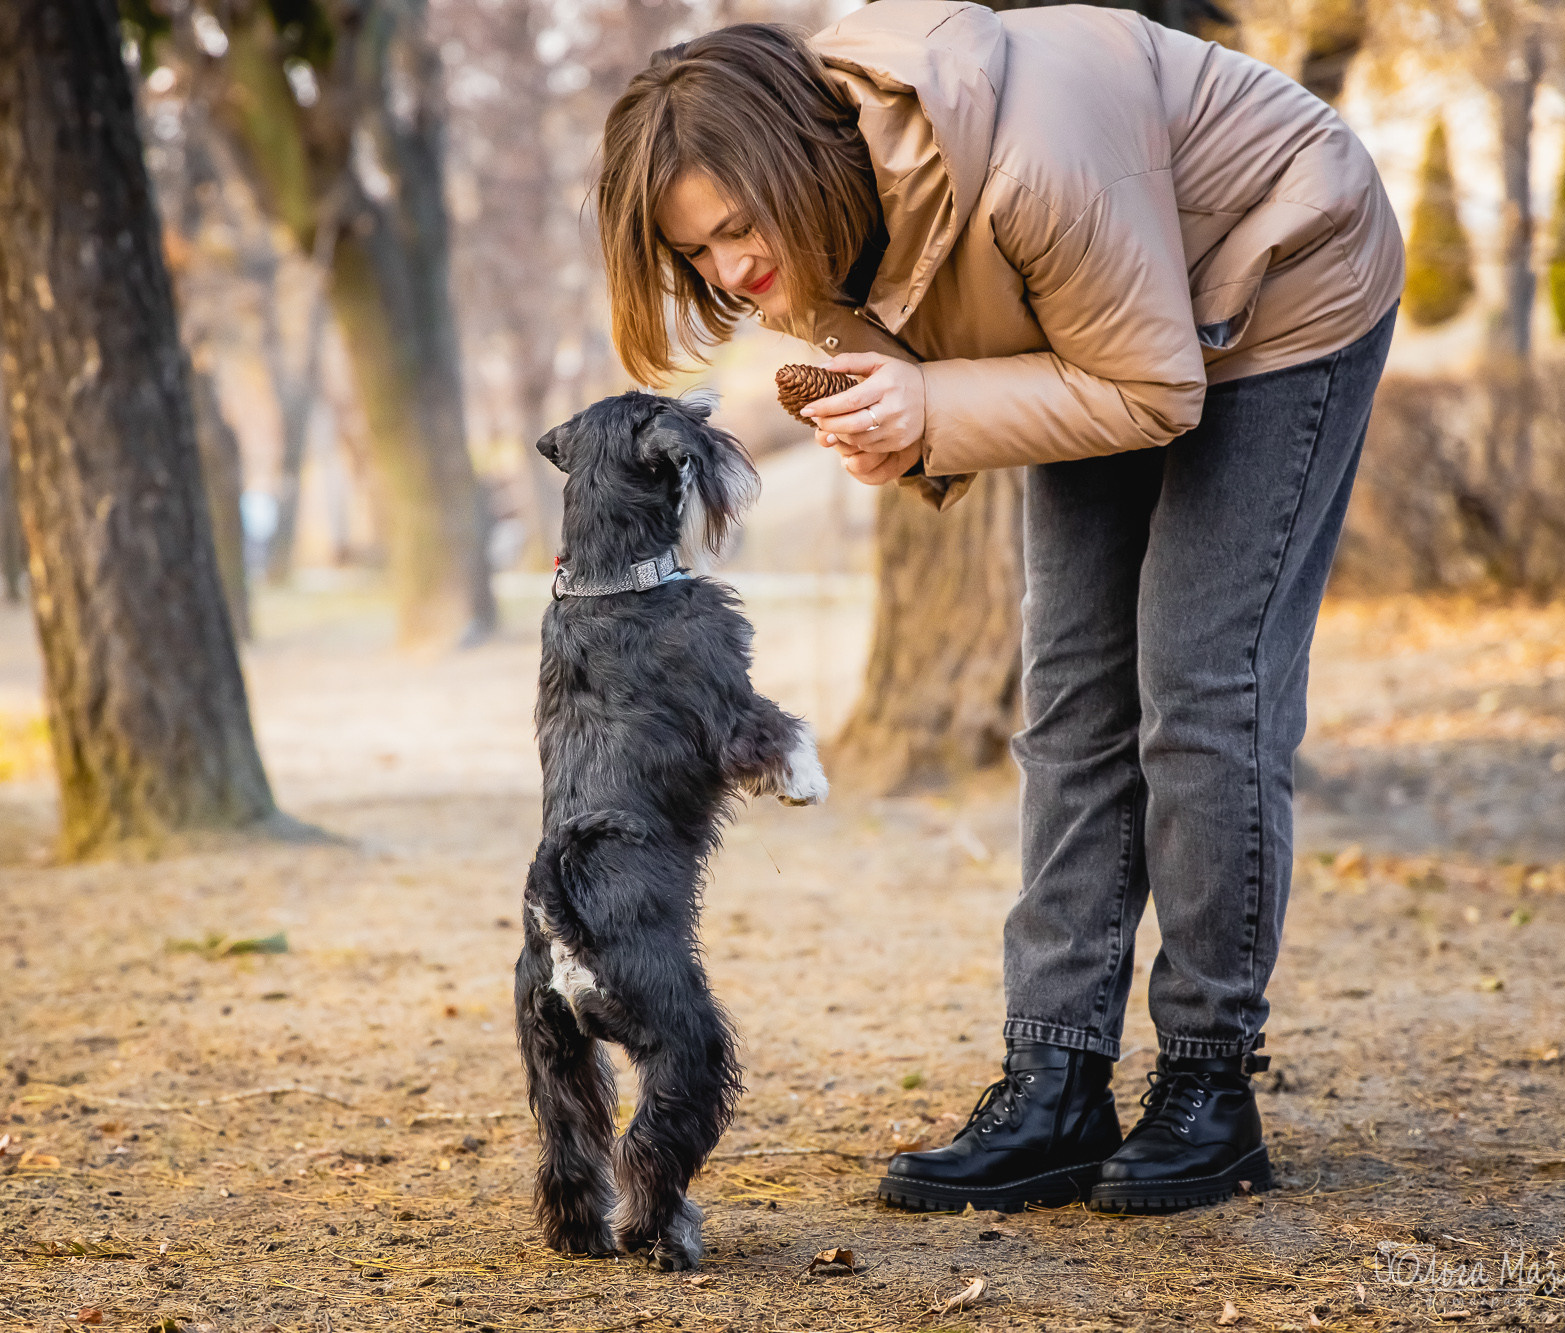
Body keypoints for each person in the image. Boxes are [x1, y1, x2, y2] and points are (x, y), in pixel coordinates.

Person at [595, 0, 1403, 1215]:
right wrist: (902, 426)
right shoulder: (816, 219)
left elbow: (1149, 388)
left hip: (1282, 282)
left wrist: (929, 407)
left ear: (793, 162)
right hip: (1098, 330)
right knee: (1071, 696)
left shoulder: (1031, 164)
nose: (730, 270)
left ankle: (1206, 1084)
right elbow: (964, 365)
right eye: (695, 252)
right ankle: (1054, 1080)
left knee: (1198, 689)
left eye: (737, 230)